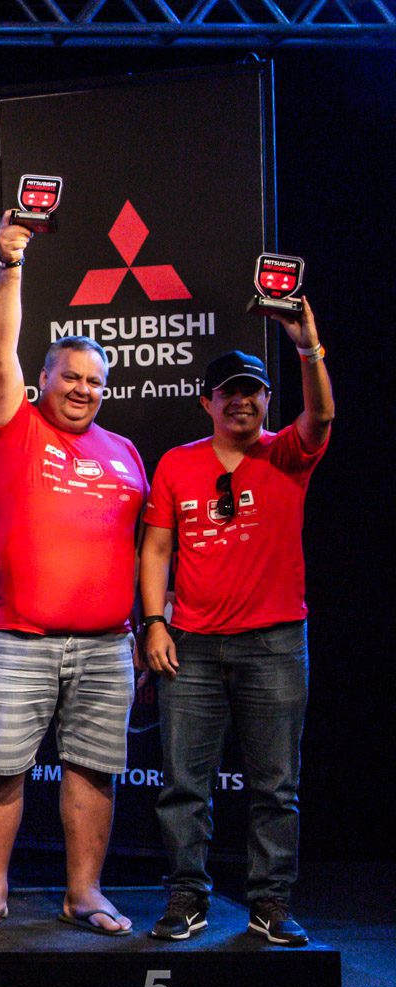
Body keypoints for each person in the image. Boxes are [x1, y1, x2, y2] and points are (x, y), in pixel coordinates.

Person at [0, 216, 147, 934]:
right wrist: (10, 265)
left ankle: (84, 892)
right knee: (4, 769)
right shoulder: (13, 425)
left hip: (107, 644)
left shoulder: (125, 451)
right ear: (41, 380)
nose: (82, 389)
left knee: (94, 770)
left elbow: (148, 547)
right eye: (69, 376)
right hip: (20, 639)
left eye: (94, 381)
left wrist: (146, 626)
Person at [140, 302, 333, 947]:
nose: (243, 402)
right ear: (208, 402)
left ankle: (270, 902)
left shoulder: (288, 454)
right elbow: (156, 549)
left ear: (268, 400)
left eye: (253, 392)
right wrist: (154, 622)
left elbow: (322, 414)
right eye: (230, 393)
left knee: (276, 786)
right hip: (190, 645)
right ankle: (186, 897)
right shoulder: (177, 463)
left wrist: (308, 347)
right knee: (183, 786)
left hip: (275, 643)